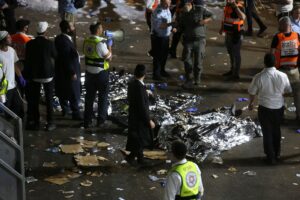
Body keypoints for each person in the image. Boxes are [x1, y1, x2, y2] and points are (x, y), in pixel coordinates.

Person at [248, 53, 292, 165]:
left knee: (267, 132)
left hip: (265, 108)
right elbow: (288, 91)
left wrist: (251, 103)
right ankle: (277, 154)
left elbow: (252, 92)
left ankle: (270, 156)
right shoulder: (282, 76)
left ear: (264, 63)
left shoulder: (258, 77)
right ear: (275, 62)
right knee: (276, 130)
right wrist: (279, 96)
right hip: (278, 107)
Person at [24, 22, 57, 131]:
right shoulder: (50, 43)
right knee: (49, 99)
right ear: (46, 31)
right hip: (48, 75)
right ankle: (50, 122)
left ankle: (36, 122)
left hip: (34, 75)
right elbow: (55, 56)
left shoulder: (29, 44)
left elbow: (27, 60)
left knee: (34, 99)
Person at [83, 22, 112, 128]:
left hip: (89, 74)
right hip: (101, 74)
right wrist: (109, 45)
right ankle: (101, 120)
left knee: (89, 97)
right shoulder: (100, 43)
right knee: (103, 96)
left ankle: (87, 120)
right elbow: (109, 57)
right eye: (101, 28)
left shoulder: (86, 41)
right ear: (98, 30)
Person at [178, 0, 213, 88]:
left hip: (200, 41)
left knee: (198, 62)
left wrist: (205, 21)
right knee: (187, 61)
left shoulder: (200, 10)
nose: (184, 10)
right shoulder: (183, 13)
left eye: (185, 8)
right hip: (188, 41)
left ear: (189, 4)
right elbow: (181, 26)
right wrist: (176, 28)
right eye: (183, 9)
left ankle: (197, 80)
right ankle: (188, 80)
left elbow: (213, 16)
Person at [271, 16, 300, 120]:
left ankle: (280, 115)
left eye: (279, 24)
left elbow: (272, 54)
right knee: (297, 94)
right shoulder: (297, 36)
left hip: (281, 71)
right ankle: (299, 115)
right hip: (294, 70)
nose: (278, 26)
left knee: (280, 94)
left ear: (283, 25)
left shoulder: (277, 37)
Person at [125, 64, 155, 165]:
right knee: (140, 139)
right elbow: (142, 107)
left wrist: (144, 92)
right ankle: (136, 158)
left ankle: (135, 158)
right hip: (140, 119)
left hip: (133, 117)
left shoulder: (132, 84)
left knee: (137, 140)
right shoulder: (140, 88)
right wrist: (149, 120)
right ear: (144, 74)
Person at [54, 20, 82, 120]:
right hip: (68, 72)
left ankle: (65, 110)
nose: (74, 28)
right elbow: (66, 58)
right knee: (72, 91)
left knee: (64, 91)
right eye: (72, 26)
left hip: (63, 71)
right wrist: (72, 72)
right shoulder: (64, 41)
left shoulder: (62, 39)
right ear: (67, 29)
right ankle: (76, 113)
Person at [219, 0, 246, 81]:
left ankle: (236, 74)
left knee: (236, 54)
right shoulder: (227, 6)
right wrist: (222, 28)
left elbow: (243, 17)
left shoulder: (239, 6)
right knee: (230, 53)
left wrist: (235, 6)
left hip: (236, 35)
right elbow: (225, 18)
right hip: (228, 34)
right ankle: (232, 70)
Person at [0, 31, 24, 118]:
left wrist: (20, 77)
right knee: (6, 111)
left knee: (18, 107)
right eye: (8, 37)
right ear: (2, 40)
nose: (11, 39)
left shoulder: (11, 50)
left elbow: (14, 65)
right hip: (3, 89)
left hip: (13, 86)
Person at [151, 0, 173, 80]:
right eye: (166, 3)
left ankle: (162, 71)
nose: (168, 4)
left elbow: (168, 21)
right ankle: (156, 74)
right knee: (158, 56)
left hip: (165, 36)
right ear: (161, 2)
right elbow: (160, 26)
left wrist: (172, 28)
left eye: (169, 2)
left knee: (164, 55)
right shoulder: (158, 12)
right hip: (158, 37)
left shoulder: (166, 9)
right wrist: (171, 24)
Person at [11, 19, 32, 97]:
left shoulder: (10, 37)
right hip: (24, 64)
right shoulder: (28, 39)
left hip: (13, 64)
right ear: (24, 28)